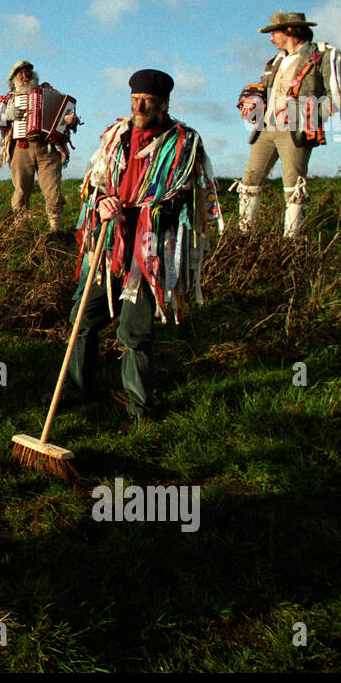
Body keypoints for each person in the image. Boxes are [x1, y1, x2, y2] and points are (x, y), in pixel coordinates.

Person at [61, 70, 223, 432]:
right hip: (108, 247)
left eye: (147, 100)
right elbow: (95, 182)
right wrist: (102, 202)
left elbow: (181, 197)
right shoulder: (116, 136)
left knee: (135, 332)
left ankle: (139, 408)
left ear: (164, 103)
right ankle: (77, 388)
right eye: (135, 98)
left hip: (148, 253)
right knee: (82, 318)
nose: (140, 105)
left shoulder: (183, 142)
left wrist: (134, 212)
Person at [233, 11, 341, 237]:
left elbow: (334, 94)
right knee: (250, 180)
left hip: (296, 129)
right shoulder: (276, 62)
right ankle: (244, 236)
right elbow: (262, 88)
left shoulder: (322, 56)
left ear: (289, 31)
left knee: (293, 183)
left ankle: (290, 241)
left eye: (273, 33)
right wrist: (252, 101)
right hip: (266, 128)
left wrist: (311, 116)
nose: (270, 38)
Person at [0, 60, 80, 237]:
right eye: (19, 74)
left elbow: (67, 115)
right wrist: (8, 116)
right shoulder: (8, 99)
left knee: (53, 188)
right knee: (21, 189)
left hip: (49, 147)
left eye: (28, 72)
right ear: (13, 79)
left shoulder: (50, 93)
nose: (24, 76)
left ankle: (55, 230)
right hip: (21, 147)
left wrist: (71, 120)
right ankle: (20, 229)